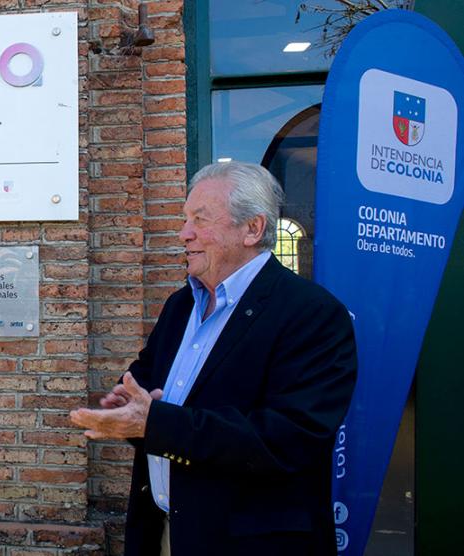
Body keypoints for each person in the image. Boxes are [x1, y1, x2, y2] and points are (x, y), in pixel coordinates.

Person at [70, 162, 357, 556]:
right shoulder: (180, 304)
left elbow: (290, 437)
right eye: (185, 219)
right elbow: (144, 378)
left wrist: (154, 422)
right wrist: (124, 405)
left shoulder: (313, 314)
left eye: (199, 220)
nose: (184, 233)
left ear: (252, 229)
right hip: (165, 533)